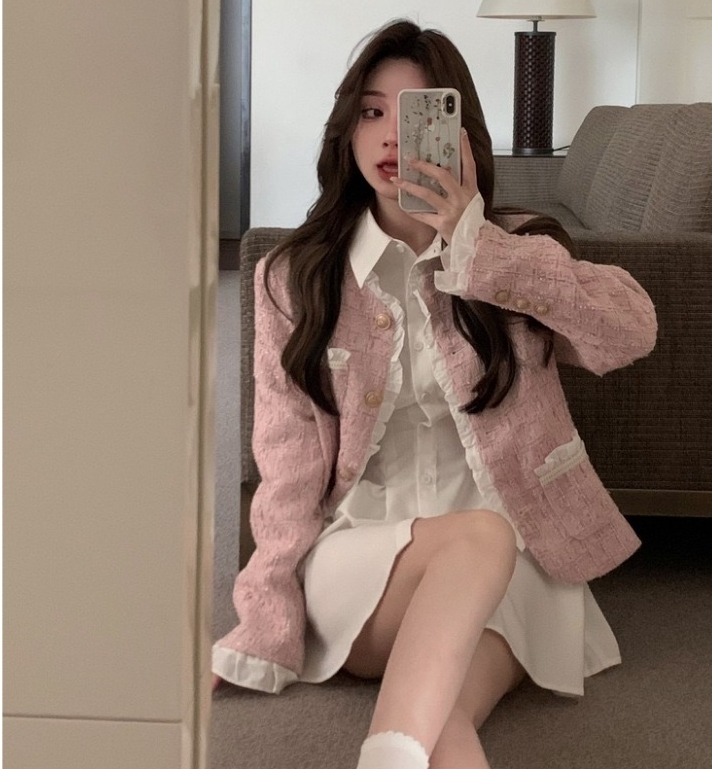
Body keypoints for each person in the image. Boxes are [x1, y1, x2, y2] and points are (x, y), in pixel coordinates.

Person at [212, 18, 657, 769]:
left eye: (419, 112)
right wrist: (261, 625)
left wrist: (476, 245)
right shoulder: (293, 277)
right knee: (479, 535)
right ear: (347, 131)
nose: (392, 134)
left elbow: (631, 330)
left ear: (459, 134)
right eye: (371, 111)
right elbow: (286, 467)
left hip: (513, 572)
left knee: (444, 719)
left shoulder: (518, 253)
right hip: (361, 563)